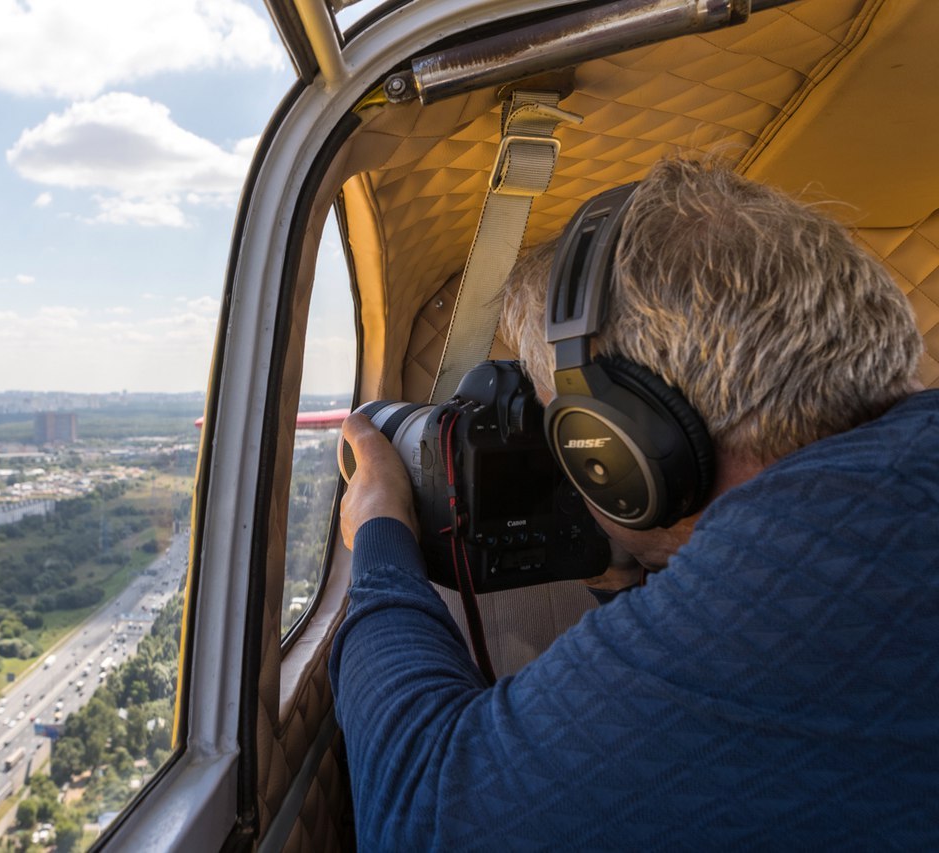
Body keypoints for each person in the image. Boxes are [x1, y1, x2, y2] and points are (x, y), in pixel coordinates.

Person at [330, 157, 938, 849]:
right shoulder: (874, 509)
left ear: (622, 446)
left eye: (567, 431)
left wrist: (379, 535)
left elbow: (424, 815)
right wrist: (636, 571)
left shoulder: (795, 581)